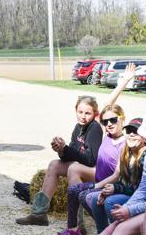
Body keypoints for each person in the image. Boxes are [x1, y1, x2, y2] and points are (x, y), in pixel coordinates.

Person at [15, 96, 103, 226]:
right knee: (54, 165)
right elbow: (74, 154)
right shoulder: (78, 127)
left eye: (87, 113)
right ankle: (39, 214)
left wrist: (67, 149)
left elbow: (90, 160)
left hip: (97, 173)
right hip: (84, 167)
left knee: (74, 169)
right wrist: (61, 150)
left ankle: (77, 225)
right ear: (76, 110)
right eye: (80, 112)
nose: (83, 116)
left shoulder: (94, 128)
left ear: (95, 114)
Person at [52, 105, 127, 235]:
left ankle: (106, 230)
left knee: (84, 194)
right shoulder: (107, 136)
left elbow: (117, 175)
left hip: (110, 185)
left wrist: (124, 82)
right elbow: (104, 107)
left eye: (113, 120)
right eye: (105, 122)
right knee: (74, 191)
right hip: (99, 181)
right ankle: (73, 229)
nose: (109, 124)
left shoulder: (125, 144)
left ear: (122, 118)